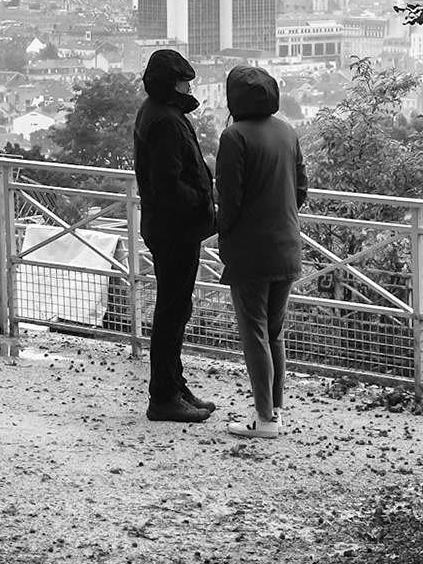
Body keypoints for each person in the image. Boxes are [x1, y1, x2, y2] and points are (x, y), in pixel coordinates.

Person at [214, 65, 308, 439]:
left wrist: (224, 234)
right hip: (287, 244)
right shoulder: (286, 129)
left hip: (252, 251)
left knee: (254, 333)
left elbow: (229, 200)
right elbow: (301, 188)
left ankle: (265, 419)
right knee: (274, 332)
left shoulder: (234, 136)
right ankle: (275, 411)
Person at [131, 48, 217, 423]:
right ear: (172, 84)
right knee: (172, 312)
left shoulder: (157, 112)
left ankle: (174, 385)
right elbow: (168, 184)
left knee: (175, 309)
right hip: (175, 229)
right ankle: (164, 396)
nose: (188, 87)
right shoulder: (166, 120)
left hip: (167, 227)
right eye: (183, 81)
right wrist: (201, 201)